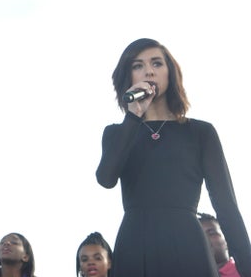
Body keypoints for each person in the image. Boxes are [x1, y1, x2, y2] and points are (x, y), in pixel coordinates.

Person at [96, 38, 251, 277]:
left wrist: (247, 265)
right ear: (129, 77)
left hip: (187, 244)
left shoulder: (200, 132)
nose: (148, 70)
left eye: (157, 63)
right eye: (138, 65)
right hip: (135, 244)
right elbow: (106, 178)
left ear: (171, 73)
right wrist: (133, 117)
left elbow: (225, 203)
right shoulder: (116, 132)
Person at [199, 212, 243, 277]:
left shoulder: (245, 270)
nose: (204, 239)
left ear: (226, 239)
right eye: (199, 236)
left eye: (211, 233)